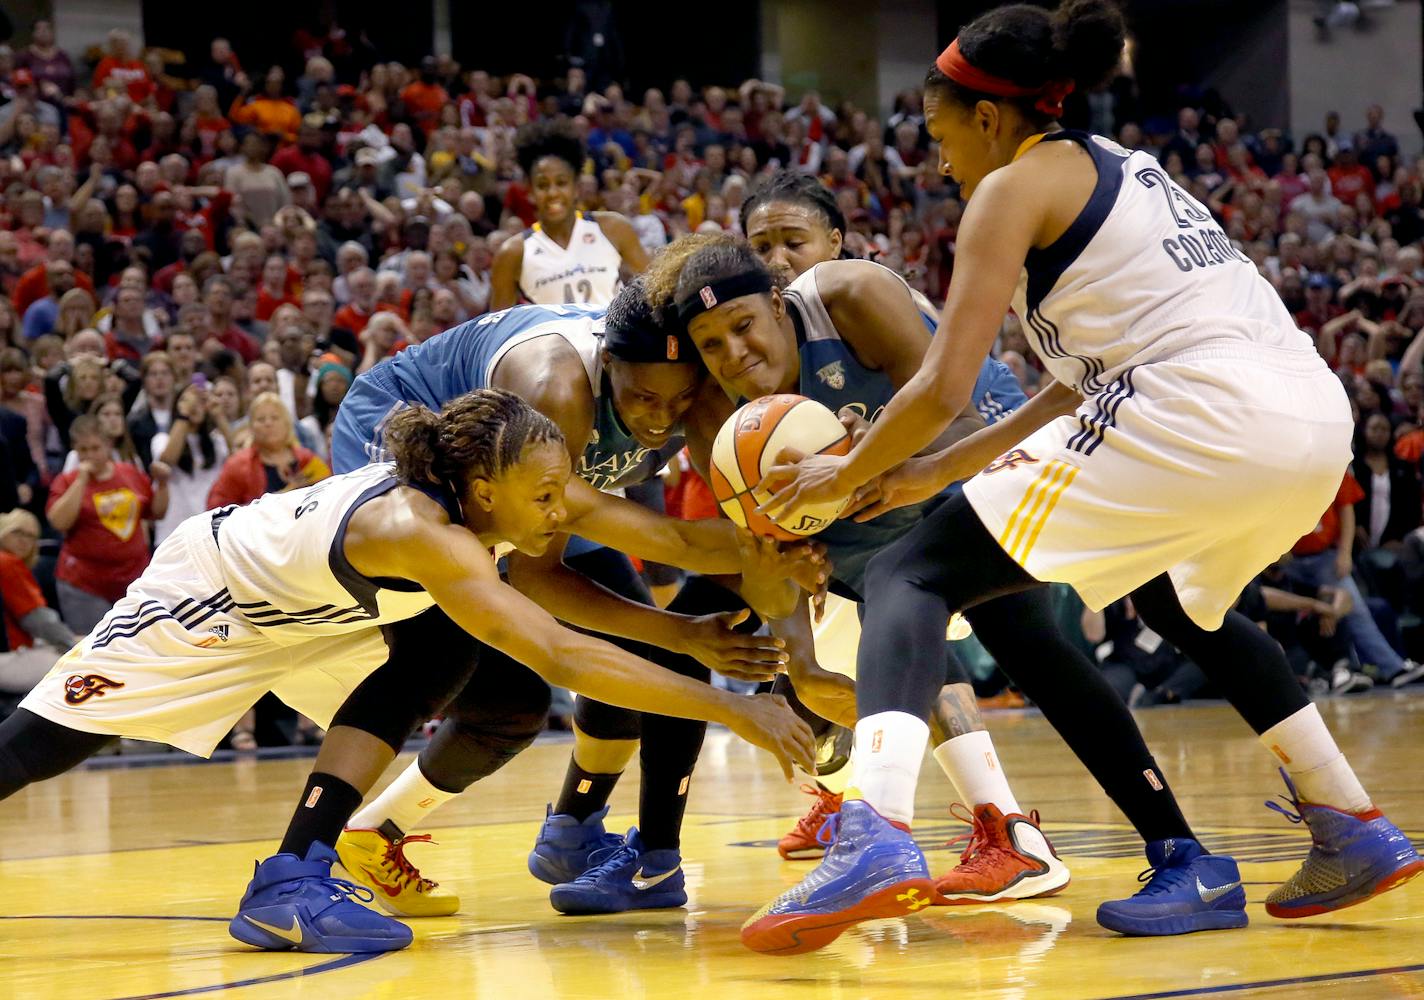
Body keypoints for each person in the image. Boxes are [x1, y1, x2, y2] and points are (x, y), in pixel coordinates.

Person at [748, 0, 1422, 951]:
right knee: (1180, 605)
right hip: (1307, 417)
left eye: (940, 131)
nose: (936, 157)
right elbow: (1066, 390)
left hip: (1197, 413)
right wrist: (928, 470)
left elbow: (943, 385)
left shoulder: (1012, 190)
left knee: (913, 572)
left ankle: (878, 834)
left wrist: (851, 470)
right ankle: (1350, 822)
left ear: (989, 117)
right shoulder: (1129, 172)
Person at [0, 388, 815, 954]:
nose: (563, 511)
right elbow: (566, 651)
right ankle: (296, 874)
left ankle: (300, 869)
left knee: (494, 690)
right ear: (486, 490)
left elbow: (672, 545)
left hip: (322, 616)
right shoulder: (427, 533)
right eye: (547, 494)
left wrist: (797, 537)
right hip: (214, 595)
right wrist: (735, 709)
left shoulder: (503, 497)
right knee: (38, 750)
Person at [260, 286, 822, 930]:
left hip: (538, 479)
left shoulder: (694, 396)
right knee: (469, 673)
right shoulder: (556, 391)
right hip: (406, 428)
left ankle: (575, 831)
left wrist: (797, 562)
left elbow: (696, 542)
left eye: (678, 399)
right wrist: (688, 634)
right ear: (609, 365)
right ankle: (329, 846)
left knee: (636, 661)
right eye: (643, 399)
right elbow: (538, 579)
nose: (661, 420)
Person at [490, 120, 649, 309]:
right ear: (530, 191)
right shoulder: (513, 253)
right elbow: (496, 330)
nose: (553, 193)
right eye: (542, 185)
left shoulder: (612, 227)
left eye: (562, 182)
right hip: (551, 339)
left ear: (576, 186)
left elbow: (656, 290)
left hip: (612, 337)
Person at [45, 415, 169, 633]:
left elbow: (156, 513)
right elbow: (59, 522)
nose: (90, 456)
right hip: (84, 586)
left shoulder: (129, 473)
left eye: (95, 448)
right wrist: (81, 480)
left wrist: (163, 483)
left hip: (134, 581)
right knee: (93, 651)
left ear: (108, 445)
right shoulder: (67, 481)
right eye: (83, 450)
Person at [206, 392, 331, 509]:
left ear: (287, 424)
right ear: (251, 427)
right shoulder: (237, 465)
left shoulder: (308, 460)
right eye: (261, 419)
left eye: (275, 418)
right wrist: (283, 496)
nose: (268, 423)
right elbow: (216, 511)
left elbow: (330, 497)